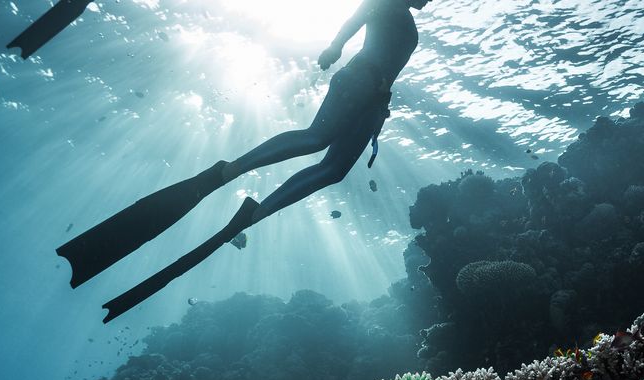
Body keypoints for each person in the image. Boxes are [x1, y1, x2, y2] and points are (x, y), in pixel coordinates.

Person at [52, 0, 431, 322]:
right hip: (361, 79)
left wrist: (380, 100)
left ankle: (257, 212)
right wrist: (335, 47)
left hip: (376, 100)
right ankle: (228, 172)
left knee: (333, 171)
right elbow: (356, 16)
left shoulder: (411, 28)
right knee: (316, 138)